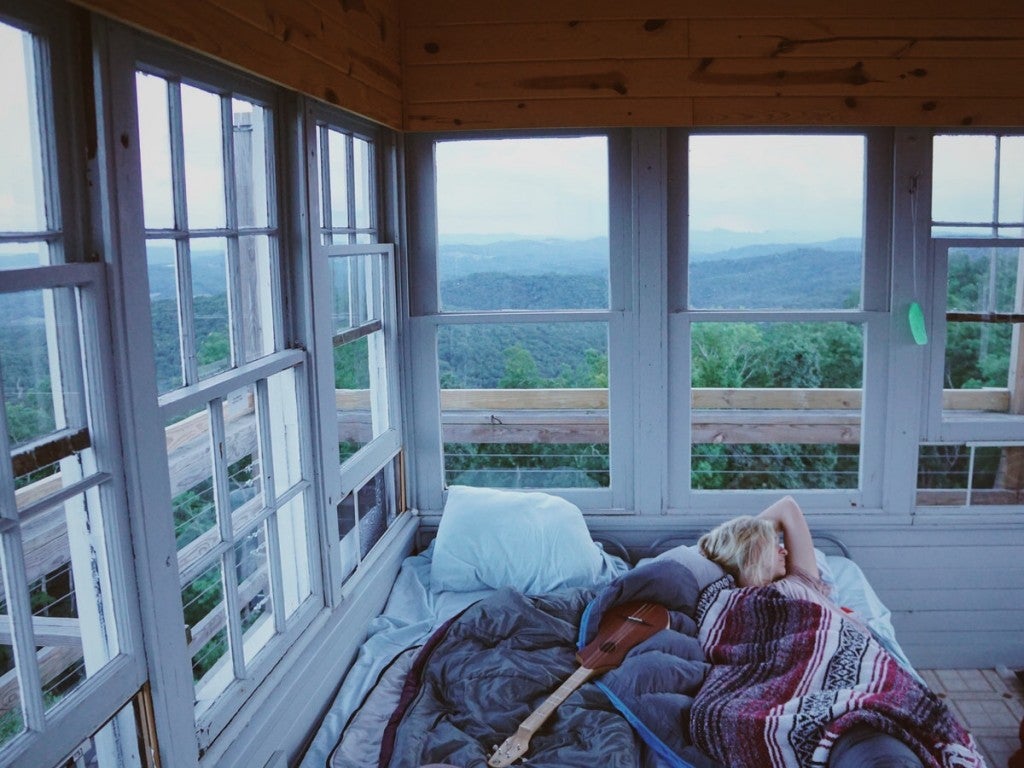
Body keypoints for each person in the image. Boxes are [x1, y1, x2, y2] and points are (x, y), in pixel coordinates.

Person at [694, 496, 973, 768]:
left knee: (880, 740)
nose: (784, 550)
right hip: (771, 681)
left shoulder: (800, 580)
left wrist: (743, 535)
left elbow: (787, 508)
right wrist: (742, 542)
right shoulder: (726, 600)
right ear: (752, 548)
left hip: (843, 659)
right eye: (774, 544)